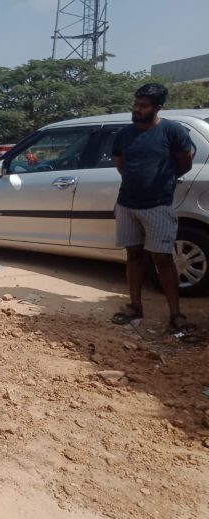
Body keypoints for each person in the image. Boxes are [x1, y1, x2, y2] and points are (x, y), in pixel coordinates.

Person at [110, 83, 194, 332]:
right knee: (133, 256)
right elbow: (121, 164)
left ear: (157, 107)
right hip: (127, 204)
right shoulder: (124, 135)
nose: (137, 109)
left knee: (163, 259)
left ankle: (176, 315)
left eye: (143, 105)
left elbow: (184, 163)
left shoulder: (172, 131)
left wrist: (162, 182)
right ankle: (135, 306)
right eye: (136, 104)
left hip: (157, 205)